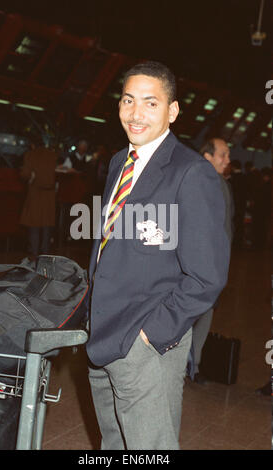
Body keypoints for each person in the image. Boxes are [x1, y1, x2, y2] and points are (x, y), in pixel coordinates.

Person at [85, 61, 230, 450]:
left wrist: (151, 336)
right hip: (103, 334)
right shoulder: (120, 162)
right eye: (128, 100)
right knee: (114, 443)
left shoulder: (191, 173)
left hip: (144, 341)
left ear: (173, 111)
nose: (136, 113)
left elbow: (207, 276)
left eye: (151, 103)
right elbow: (111, 245)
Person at [192, 138, 233, 384]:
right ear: (207, 156)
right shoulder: (205, 182)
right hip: (204, 265)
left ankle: (191, 364)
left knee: (203, 314)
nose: (227, 160)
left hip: (212, 263)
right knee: (197, 314)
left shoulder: (216, 182)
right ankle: (189, 366)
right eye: (223, 155)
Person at [19, 138, 57, 258]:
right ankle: (45, 253)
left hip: (35, 193)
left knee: (34, 225)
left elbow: (25, 174)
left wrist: (30, 178)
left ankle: (34, 254)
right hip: (49, 195)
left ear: (32, 144)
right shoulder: (53, 155)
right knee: (47, 225)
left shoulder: (30, 155)